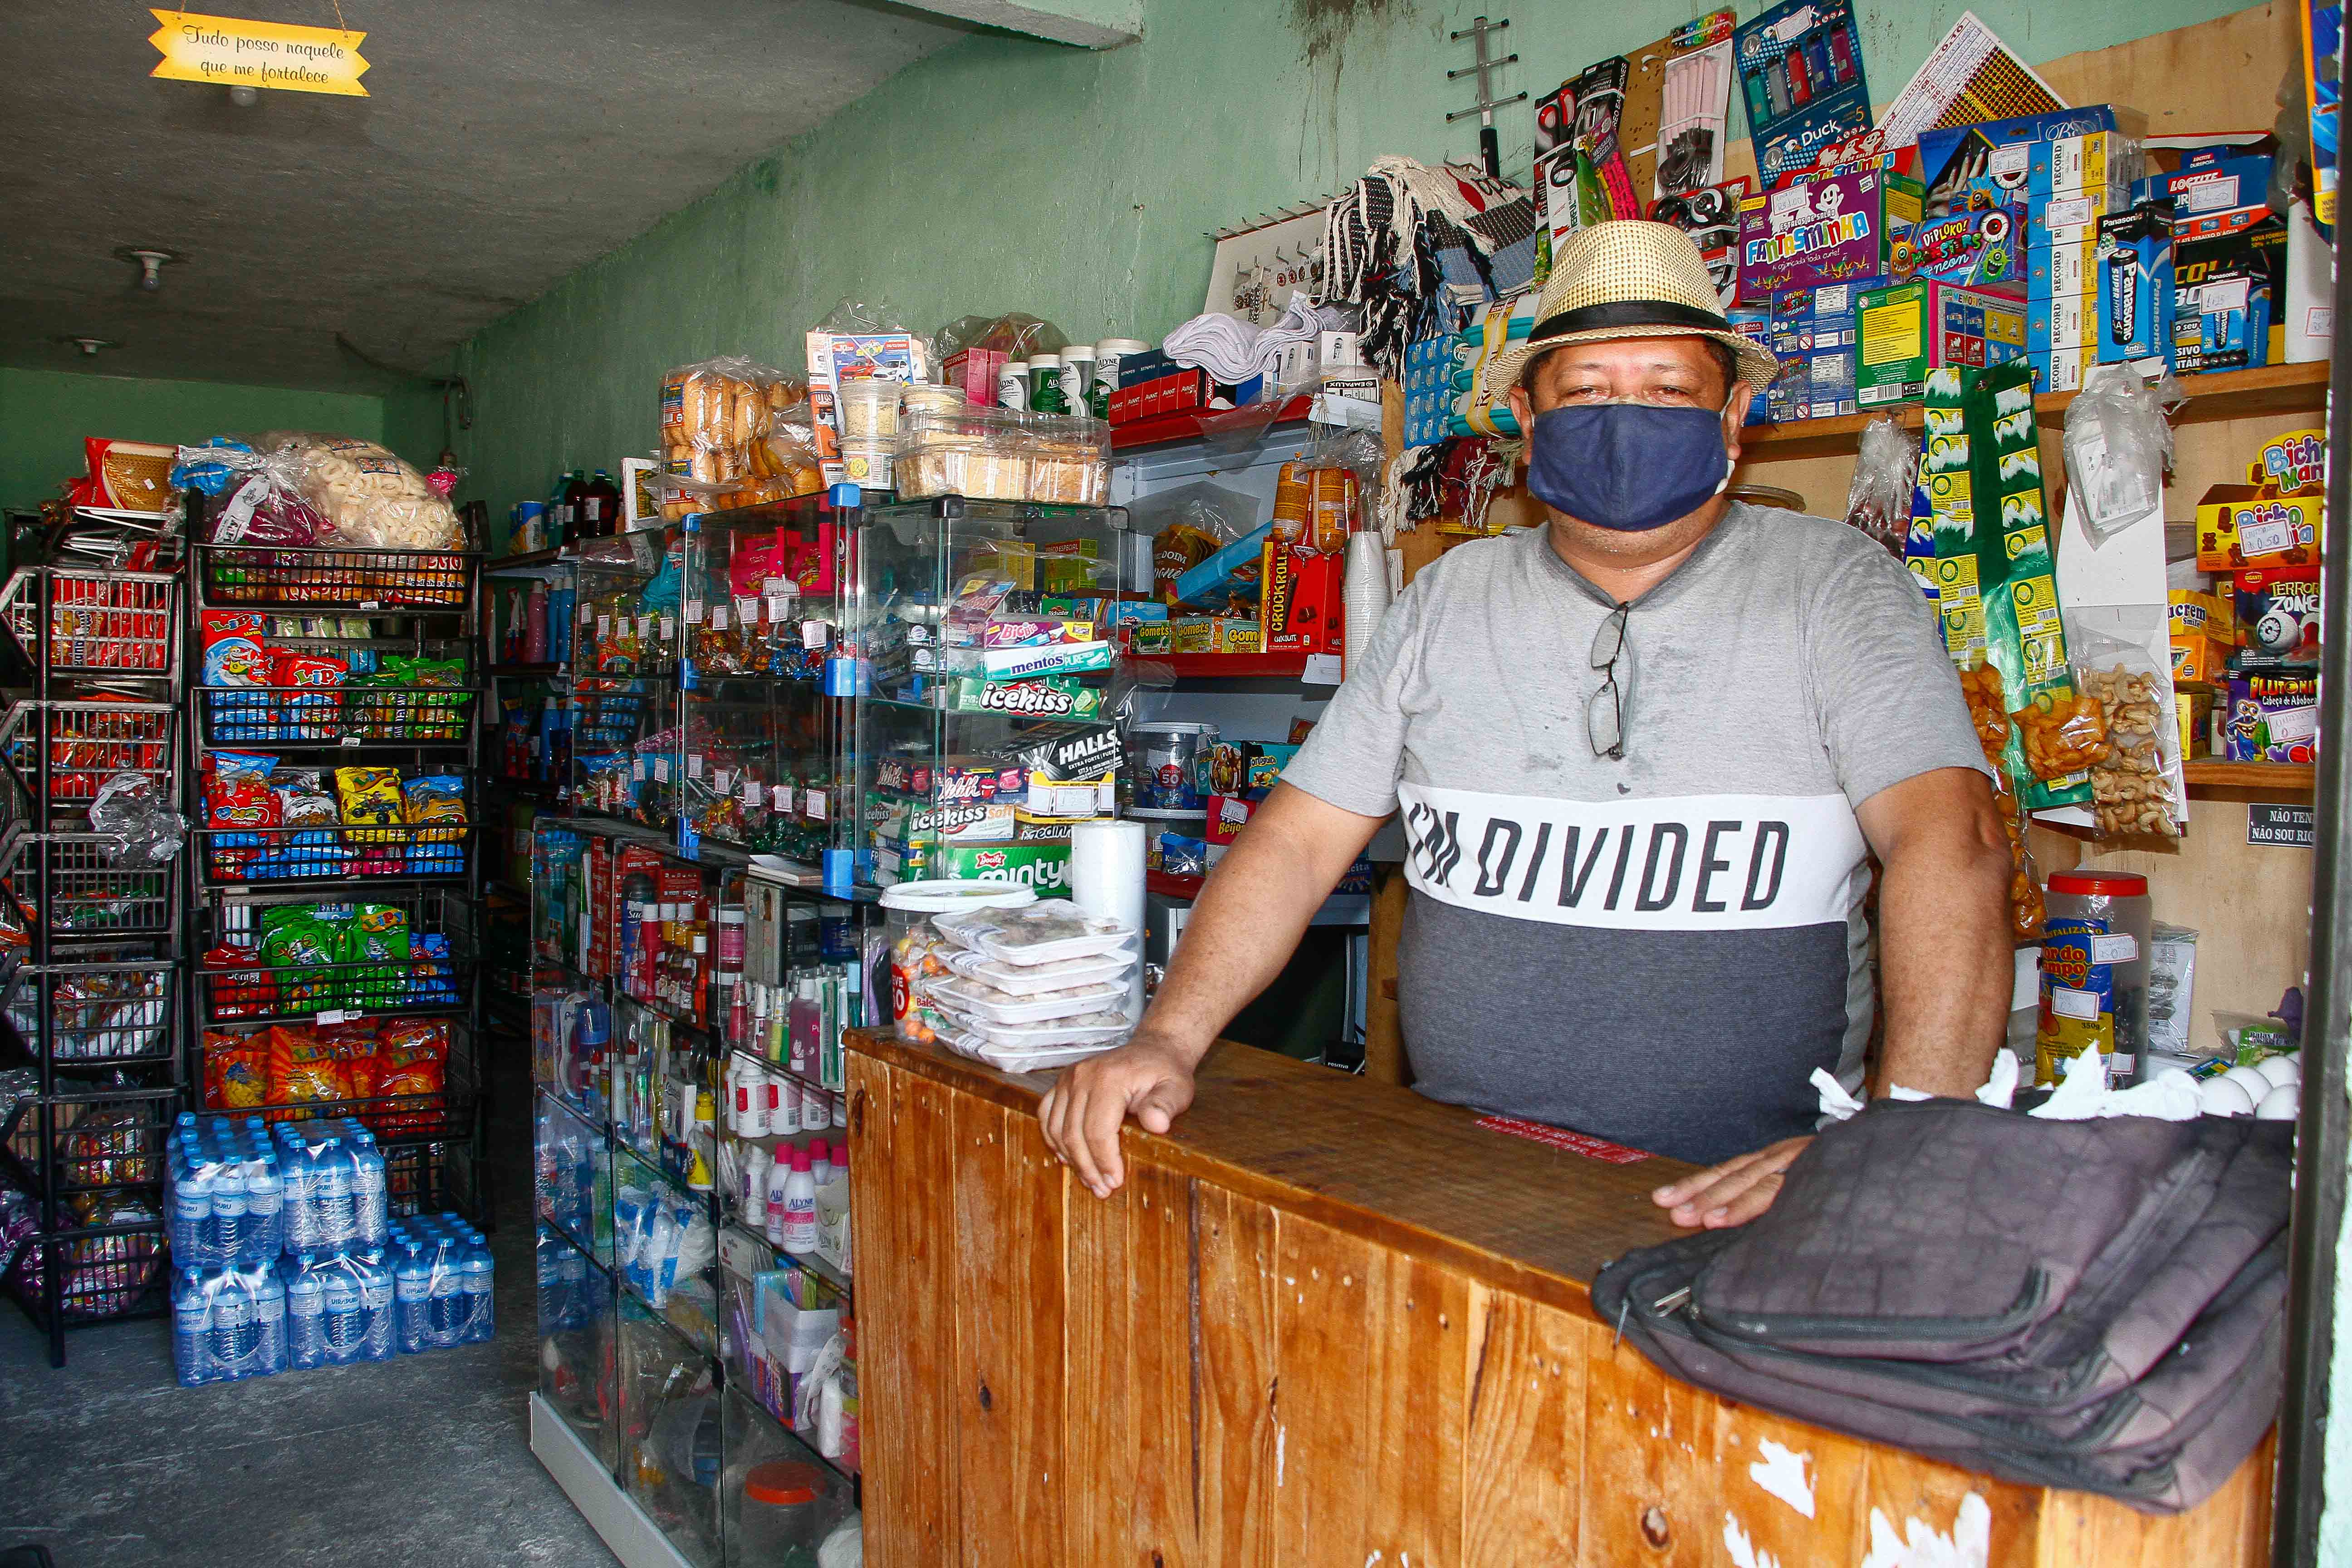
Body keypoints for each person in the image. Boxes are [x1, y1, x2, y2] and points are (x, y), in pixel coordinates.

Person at [1041, 220, 2013, 1229]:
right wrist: (1167, 1039)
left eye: (1669, 390)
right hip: (1462, 1176)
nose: (1626, 416)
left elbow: (1956, 844)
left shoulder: (1839, 591)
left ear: (1733, 419)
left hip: (1750, 1200)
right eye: (1587, 390)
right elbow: (1292, 843)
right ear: (1526, 416)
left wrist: (1903, 1139)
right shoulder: (1448, 601)